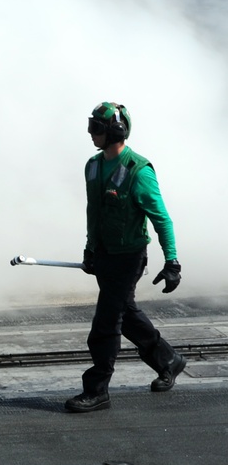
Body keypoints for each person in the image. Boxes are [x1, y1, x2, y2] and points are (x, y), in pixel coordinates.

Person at [65, 102, 185, 413]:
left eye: (97, 129)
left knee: (105, 324)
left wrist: (172, 262)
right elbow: (94, 213)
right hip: (104, 255)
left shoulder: (138, 171)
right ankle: (169, 360)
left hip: (129, 258)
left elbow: (161, 218)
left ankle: (97, 389)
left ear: (114, 132)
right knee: (126, 314)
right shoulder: (93, 166)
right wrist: (90, 249)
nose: (91, 134)